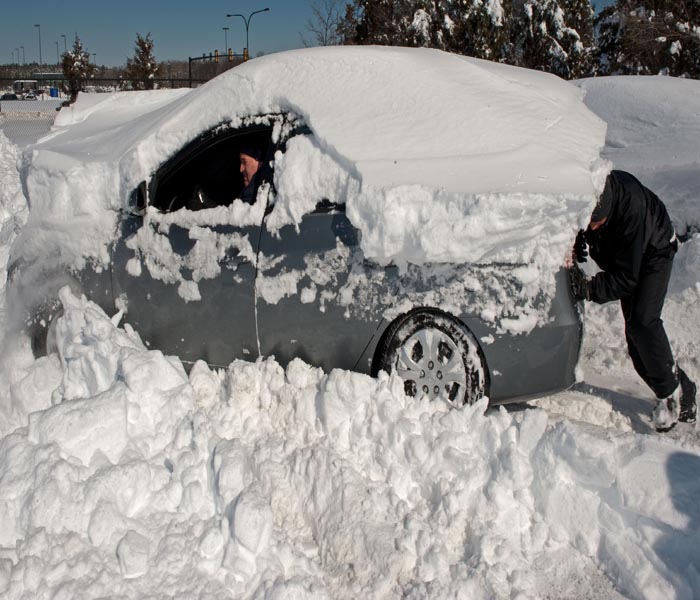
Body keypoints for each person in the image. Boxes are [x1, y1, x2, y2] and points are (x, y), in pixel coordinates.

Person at [571, 170, 696, 432]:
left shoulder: (631, 211)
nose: (593, 227)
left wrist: (589, 288)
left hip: (655, 252)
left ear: (609, 213)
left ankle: (675, 400)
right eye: (590, 223)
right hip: (628, 257)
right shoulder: (592, 192)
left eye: (597, 223)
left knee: (643, 322)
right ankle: (678, 386)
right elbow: (587, 224)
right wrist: (580, 238)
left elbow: (627, 278)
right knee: (636, 339)